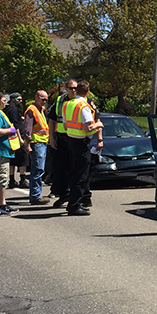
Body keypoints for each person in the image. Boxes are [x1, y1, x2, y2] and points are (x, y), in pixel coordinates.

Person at [63, 80, 103, 216]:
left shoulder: (67, 104)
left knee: (75, 173)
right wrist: (99, 125)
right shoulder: (83, 106)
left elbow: (65, 125)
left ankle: (74, 203)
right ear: (88, 92)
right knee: (81, 175)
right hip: (81, 142)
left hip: (71, 140)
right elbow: (88, 127)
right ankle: (75, 205)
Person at [48, 81, 75, 208]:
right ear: (66, 88)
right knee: (60, 170)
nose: (74, 90)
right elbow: (52, 119)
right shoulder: (60, 101)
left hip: (76, 139)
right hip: (61, 138)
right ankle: (64, 194)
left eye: (76, 88)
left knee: (74, 170)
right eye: (71, 88)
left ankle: (77, 197)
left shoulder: (81, 101)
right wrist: (51, 137)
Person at [23, 90, 51, 205]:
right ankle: (35, 196)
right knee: (37, 170)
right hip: (36, 143)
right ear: (36, 97)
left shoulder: (41, 110)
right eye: (42, 99)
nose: (44, 101)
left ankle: (36, 195)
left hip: (42, 143)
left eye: (46, 100)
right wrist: (28, 144)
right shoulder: (32, 110)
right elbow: (27, 130)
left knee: (39, 169)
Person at [4, 93, 29, 188]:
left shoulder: (8, 109)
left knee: (13, 159)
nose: (20, 101)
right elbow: (15, 125)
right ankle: (22, 180)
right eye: (19, 99)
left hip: (10, 137)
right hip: (17, 137)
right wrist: (20, 139)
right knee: (23, 158)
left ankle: (12, 180)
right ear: (13, 99)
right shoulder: (13, 109)